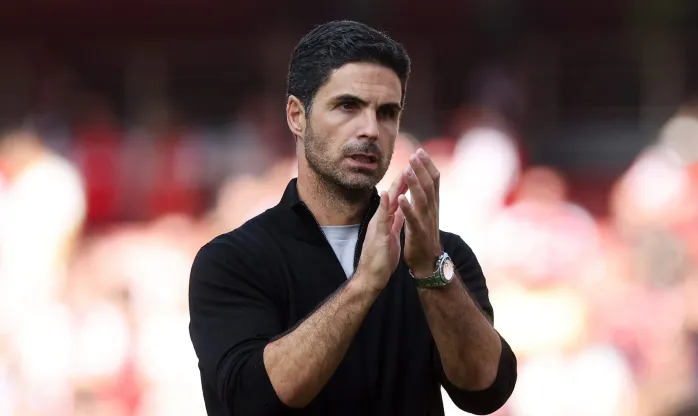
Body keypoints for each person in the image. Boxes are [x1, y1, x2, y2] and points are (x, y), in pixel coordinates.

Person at [188, 20, 517, 416]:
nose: (371, 129)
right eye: (348, 106)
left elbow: (486, 390)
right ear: (296, 115)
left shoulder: (439, 256)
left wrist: (431, 271)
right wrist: (364, 284)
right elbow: (248, 401)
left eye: (387, 113)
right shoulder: (231, 261)